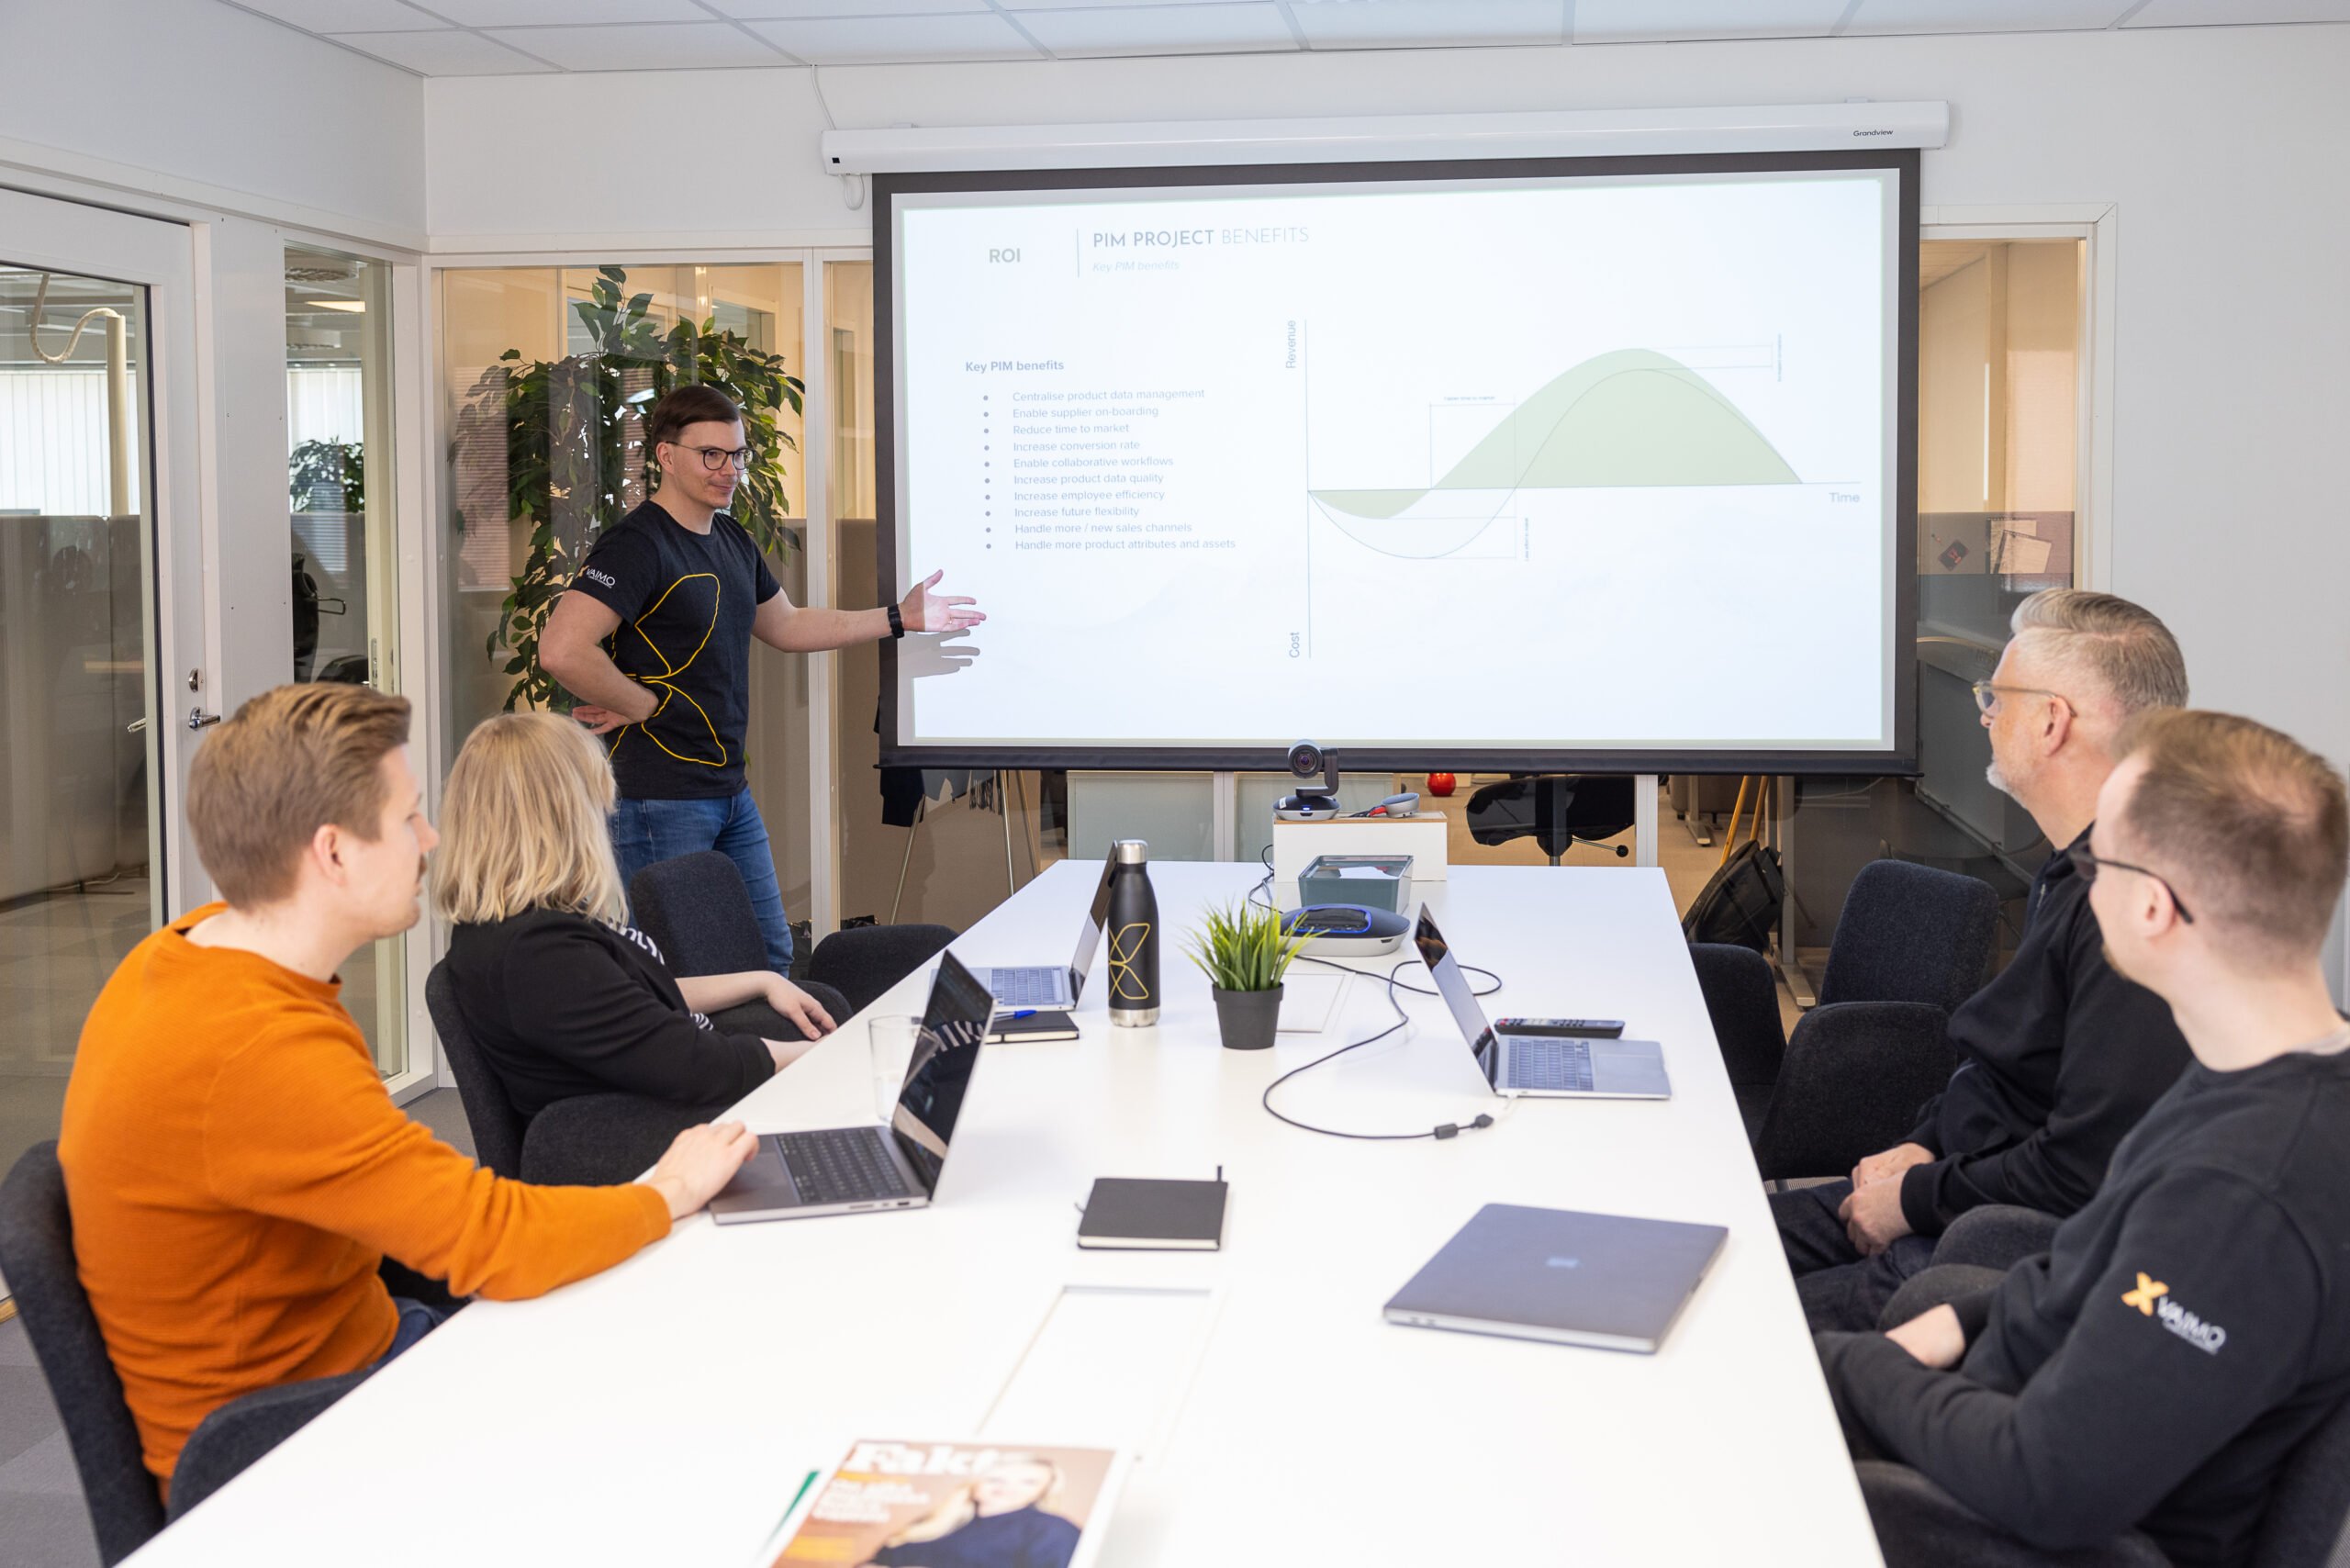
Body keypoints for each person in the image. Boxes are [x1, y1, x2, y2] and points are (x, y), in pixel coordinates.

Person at [56, 684, 756, 1493]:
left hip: (348, 1350)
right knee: (672, 1417)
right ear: (334, 853)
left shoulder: (179, 958)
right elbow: (492, 1240)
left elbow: (421, 1206)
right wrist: (666, 1189)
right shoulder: (259, 1049)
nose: (430, 839)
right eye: (408, 818)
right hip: (297, 1448)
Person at [1818, 709, 2350, 1568]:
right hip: (2027, 1423)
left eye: (2097, 858)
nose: (2077, 878)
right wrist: (1954, 1322)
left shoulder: (2241, 1194)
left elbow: (2050, 1484)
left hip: (2065, 1528)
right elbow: (2101, 1274)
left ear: (2150, 906)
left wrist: (1854, 1371)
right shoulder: (2262, 1069)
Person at [1774, 589, 2194, 1331]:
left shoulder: (2133, 907)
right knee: (1717, 1235)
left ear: (2052, 719)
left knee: (1715, 1327)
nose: (1984, 715)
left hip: (1977, 1241)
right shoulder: (2071, 872)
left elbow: (2081, 1168)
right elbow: (2009, 1079)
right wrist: (1919, 1146)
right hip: (1947, 1183)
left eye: (1996, 698)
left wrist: (1912, 1198)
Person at [539, 383, 985, 974]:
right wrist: (641, 704)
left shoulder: (730, 539)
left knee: (770, 957)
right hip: (655, 796)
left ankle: (766, 1067)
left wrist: (899, 618)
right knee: (673, 971)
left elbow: (790, 626)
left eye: (737, 455)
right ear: (665, 456)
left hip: (726, 790)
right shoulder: (637, 544)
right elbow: (563, 650)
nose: (728, 470)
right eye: (711, 455)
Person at [434, 711, 834, 1118]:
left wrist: (761, 980)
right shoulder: (537, 952)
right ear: (565, 816)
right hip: (658, 1133)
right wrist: (820, 1057)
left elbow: (631, 999)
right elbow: (692, 1065)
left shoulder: (522, 927)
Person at [864, 1457, 1084, 1568]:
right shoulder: (939, 1521)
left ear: (1042, 1491)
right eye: (995, 1479)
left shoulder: (1053, 1531)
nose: (1007, 1487)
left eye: (1028, 1482)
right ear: (975, 1483)